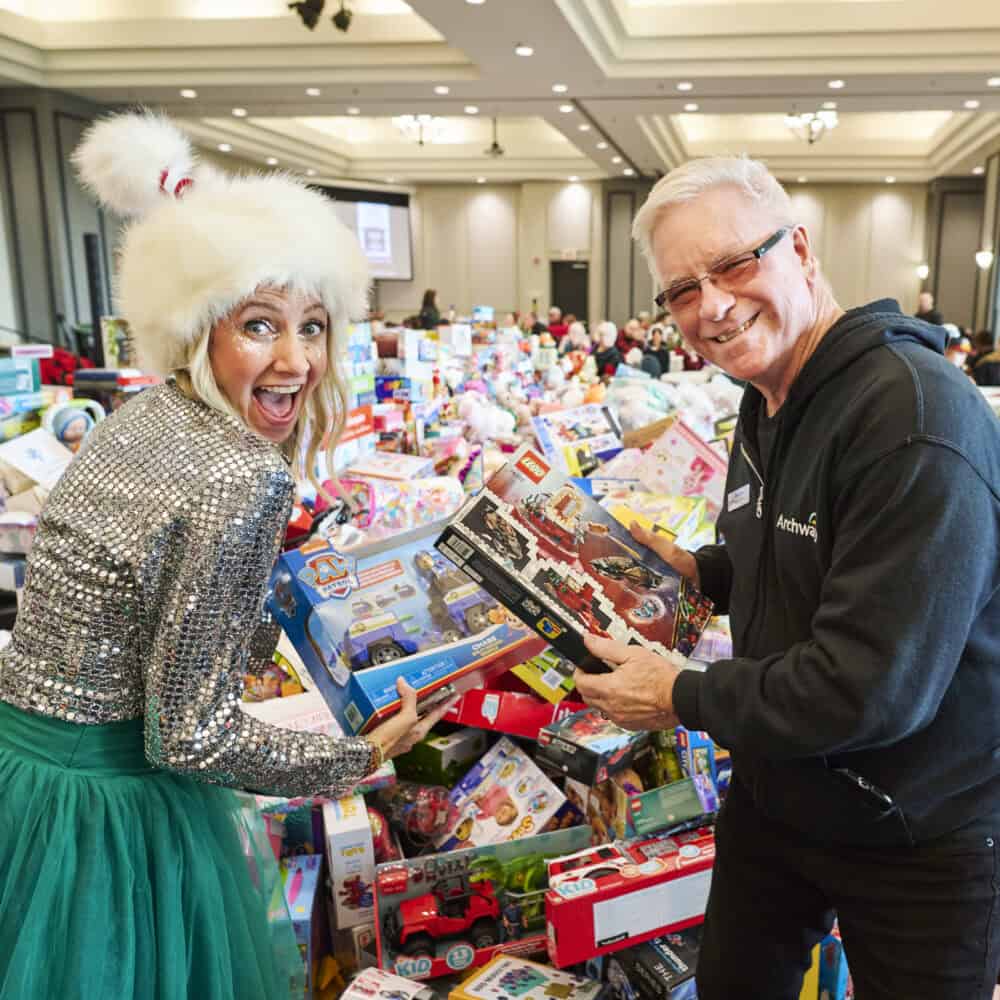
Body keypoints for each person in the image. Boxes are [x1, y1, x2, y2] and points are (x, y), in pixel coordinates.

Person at [0, 111, 456, 1000]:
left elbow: (148, 628)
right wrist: (360, 757)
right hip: (111, 822)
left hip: (26, 783)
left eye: (314, 326)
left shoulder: (139, 418)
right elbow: (192, 737)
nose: (295, 358)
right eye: (259, 325)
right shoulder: (239, 473)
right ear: (200, 329)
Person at [574, 155, 1000, 999]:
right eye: (681, 290)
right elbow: (797, 556)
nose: (713, 306)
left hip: (917, 827)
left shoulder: (911, 415)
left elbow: (871, 685)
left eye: (733, 264)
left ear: (800, 250)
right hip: (780, 794)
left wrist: (680, 695)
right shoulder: (766, 396)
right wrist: (696, 571)